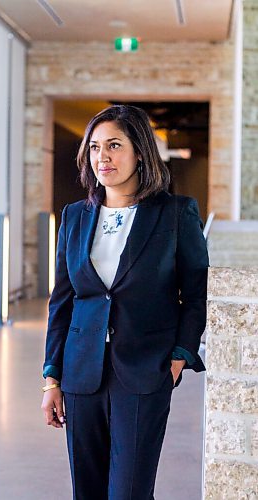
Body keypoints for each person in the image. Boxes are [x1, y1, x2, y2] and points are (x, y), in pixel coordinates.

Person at [41, 104, 209, 500]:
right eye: (95, 147)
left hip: (145, 371)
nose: (103, 157)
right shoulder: (74, 217)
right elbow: (62, 300)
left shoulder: (175, 213)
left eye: (114, 145)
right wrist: (51, 378)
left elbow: (196, 294)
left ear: (140, 152)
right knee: (89, 490)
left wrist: (179, 356)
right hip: (81, 373)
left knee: (130, 491)